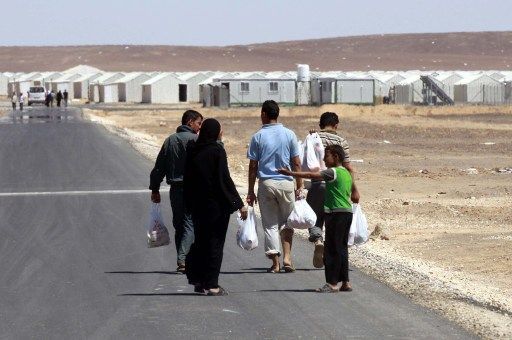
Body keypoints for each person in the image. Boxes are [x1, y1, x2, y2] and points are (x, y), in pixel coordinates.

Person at [184, 118, 247, 296]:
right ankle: (212, 285)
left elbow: (188, 180)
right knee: (214, 244)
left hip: (197, 205)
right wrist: (239, 204)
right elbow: (224, 179)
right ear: (215, 132)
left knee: (201, 242)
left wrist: (187, 203)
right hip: (215, 207)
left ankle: (198, 280)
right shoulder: (217, 151)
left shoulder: (193, 149)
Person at [279, 144, 353, 293]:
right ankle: (345, 282)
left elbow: (313, 176)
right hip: (347, 212)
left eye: (327, 156)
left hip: (335, 213)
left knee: (331, 249)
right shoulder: (346, 171)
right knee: (342, 248)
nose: (324, 159)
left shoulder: (333, 172)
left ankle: (332, 284)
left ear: (336, 157)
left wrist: (291, 173)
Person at [247, 100, 303, 273]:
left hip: (267, 184)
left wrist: (250, 191)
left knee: (270, 224)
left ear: (264, 114)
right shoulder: (289, 134)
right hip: (287, 183)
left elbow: (253, 167)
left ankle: (275, 263)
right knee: (287, 222)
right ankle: (287, 257)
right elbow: (296, 163)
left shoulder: (258, 137)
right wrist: (299, 186)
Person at [149, 110, 203, 273]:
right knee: (189, 224)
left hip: (176, 191)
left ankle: (183, 260)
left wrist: (155, 189)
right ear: (190, 122)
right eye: (199, 123)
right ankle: (183, 259)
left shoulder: (170, 140)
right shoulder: (198, 140)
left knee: (179, 224)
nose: (200, 127)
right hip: (193, 190)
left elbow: (159, 168)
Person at [306, 112, 360, 269]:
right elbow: (348, 167)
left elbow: (303, 160)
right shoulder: (341, 141)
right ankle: (331, 254)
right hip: (337, 186)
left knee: (314, 217)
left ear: (320, 124)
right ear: (336, 125)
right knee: (333, 220)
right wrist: (353, 189)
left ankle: (317, 240)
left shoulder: (312, 137)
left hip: (317, 183)